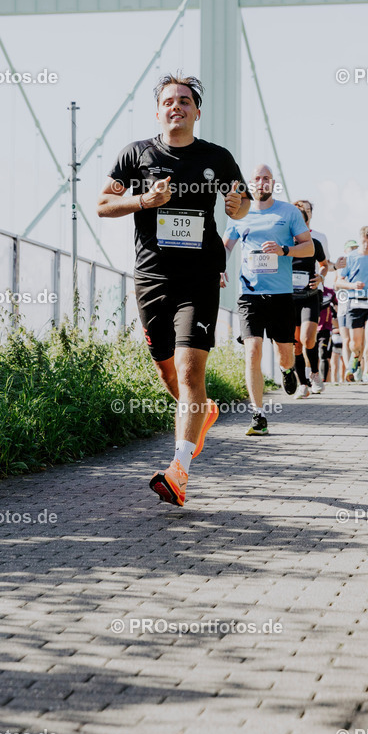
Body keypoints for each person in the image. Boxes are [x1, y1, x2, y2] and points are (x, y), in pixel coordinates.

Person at [98, 73, 250, 508]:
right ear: (159, 110)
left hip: (200, 277)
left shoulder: (216, 157)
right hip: (151, 278)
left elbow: (239, 203)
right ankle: (204, 411)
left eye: (185, 100)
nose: (177, 106)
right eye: (169, 100)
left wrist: (235, 204)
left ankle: (178, 470)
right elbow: (102, 204)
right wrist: (145, 201)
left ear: (196, 112)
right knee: (170, 374)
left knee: (188, 372)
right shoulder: (136, 155)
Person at [222, 165, 315, 434]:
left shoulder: (289, 212)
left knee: (285, 354)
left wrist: (284, 249)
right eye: (257, 179)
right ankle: (258, 415)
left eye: (266, 178)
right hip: (249, 295)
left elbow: (307, 247)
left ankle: (287, 371)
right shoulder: (239, 213)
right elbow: (226, 246)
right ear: (250, 184)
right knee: (252, 351)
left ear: (272, 183)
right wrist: (219, 266)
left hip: (281, 296)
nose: (261, 182)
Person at [335, 227, 368, 383]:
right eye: (364, 241)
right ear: (360, 239)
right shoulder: (349, 258)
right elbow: (338, 281)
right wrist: (352, 286)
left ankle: (367, 372)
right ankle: (356, 358)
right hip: (355, 301)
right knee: (355, 343)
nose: (366, 244)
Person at [291, 200, 329, 397]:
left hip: (310, 296)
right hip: (289, 298)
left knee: (308, 339)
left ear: (306, 224)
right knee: (295, 343)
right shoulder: (284, 243)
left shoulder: (314, 243)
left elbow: (324, 264)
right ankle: (302, 384)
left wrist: (321, 276)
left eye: (301, 222)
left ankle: (315, 374)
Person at [337, 239, 359, 372]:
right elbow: (336, 284)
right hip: (343, 307)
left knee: (356, 340)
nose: (354, 251)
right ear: (345, 251)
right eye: (351, 249)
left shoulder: (361, 263)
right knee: (346, 340)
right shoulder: (341, 266)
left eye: (356, 248)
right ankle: (348, 370)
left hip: (357, 305)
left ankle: (357, 366)